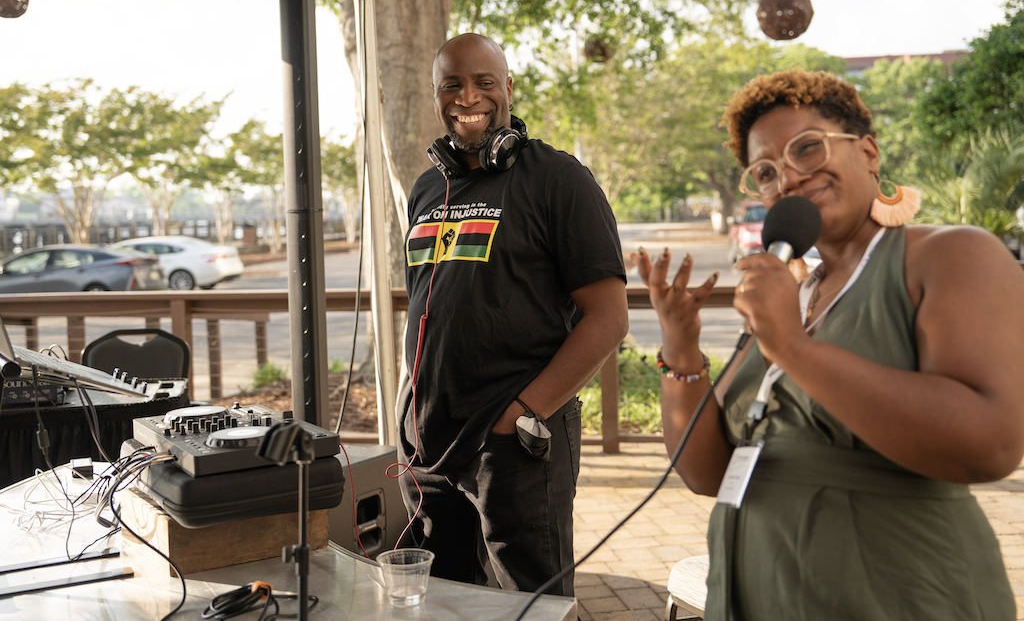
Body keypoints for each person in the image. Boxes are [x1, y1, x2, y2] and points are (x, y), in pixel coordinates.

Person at [634, 69, 1024, 620]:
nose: (788, 177)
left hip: (902, 595)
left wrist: (793, 347)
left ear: (867, 151)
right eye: (765, 171)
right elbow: (708, 474)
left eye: (808, 149)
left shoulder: (953, 254)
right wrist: (680, 341)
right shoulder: (788, 294)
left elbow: (991, 445)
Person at [397, 33, 628, 597]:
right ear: (435, 96)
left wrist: (523, 415)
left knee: (532, 605)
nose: (467, 96)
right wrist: (410, 399)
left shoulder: (558, 178)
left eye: (483, 82)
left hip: (515, 444)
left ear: (506, 89)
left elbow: (608, 318)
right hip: (426, 443)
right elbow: (430, 305)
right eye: (451, 84)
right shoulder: (429, 186)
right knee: (444, 600)